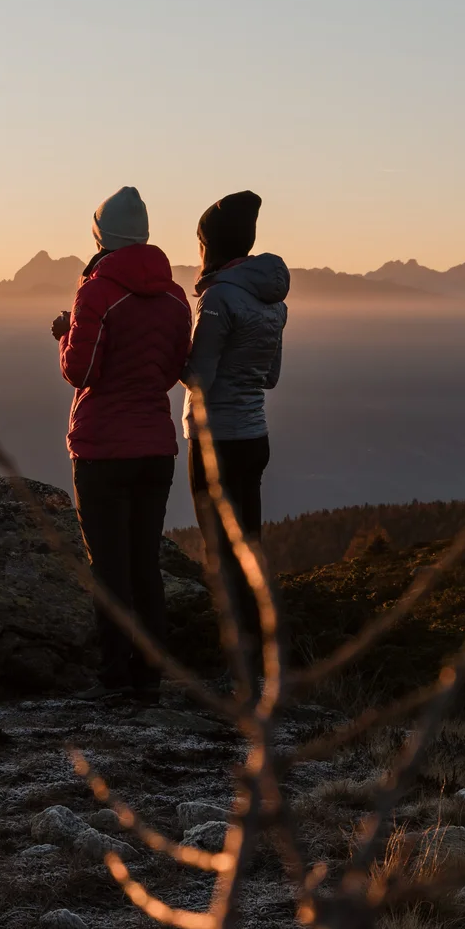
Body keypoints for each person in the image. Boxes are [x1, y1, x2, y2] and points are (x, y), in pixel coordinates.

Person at [51, 186, 192, 701]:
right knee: (144, 564)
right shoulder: (177, 297)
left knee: (110, 569)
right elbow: (174, 369)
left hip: (102, 450)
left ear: (101, 234)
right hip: (156, 447)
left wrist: (65, 335)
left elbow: (80, 371)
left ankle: (114, 681)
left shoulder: (97, 292)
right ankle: (149, 679)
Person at [180, 191, 289, 657]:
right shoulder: (272, 301)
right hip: (254, 436)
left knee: (219, 550)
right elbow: (271, 376)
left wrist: (167, 352)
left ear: (211, 245)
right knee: (249, 545)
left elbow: (197, 379)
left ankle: (234, 661)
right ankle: (261, 648)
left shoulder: (219, 298)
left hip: (215, 440)